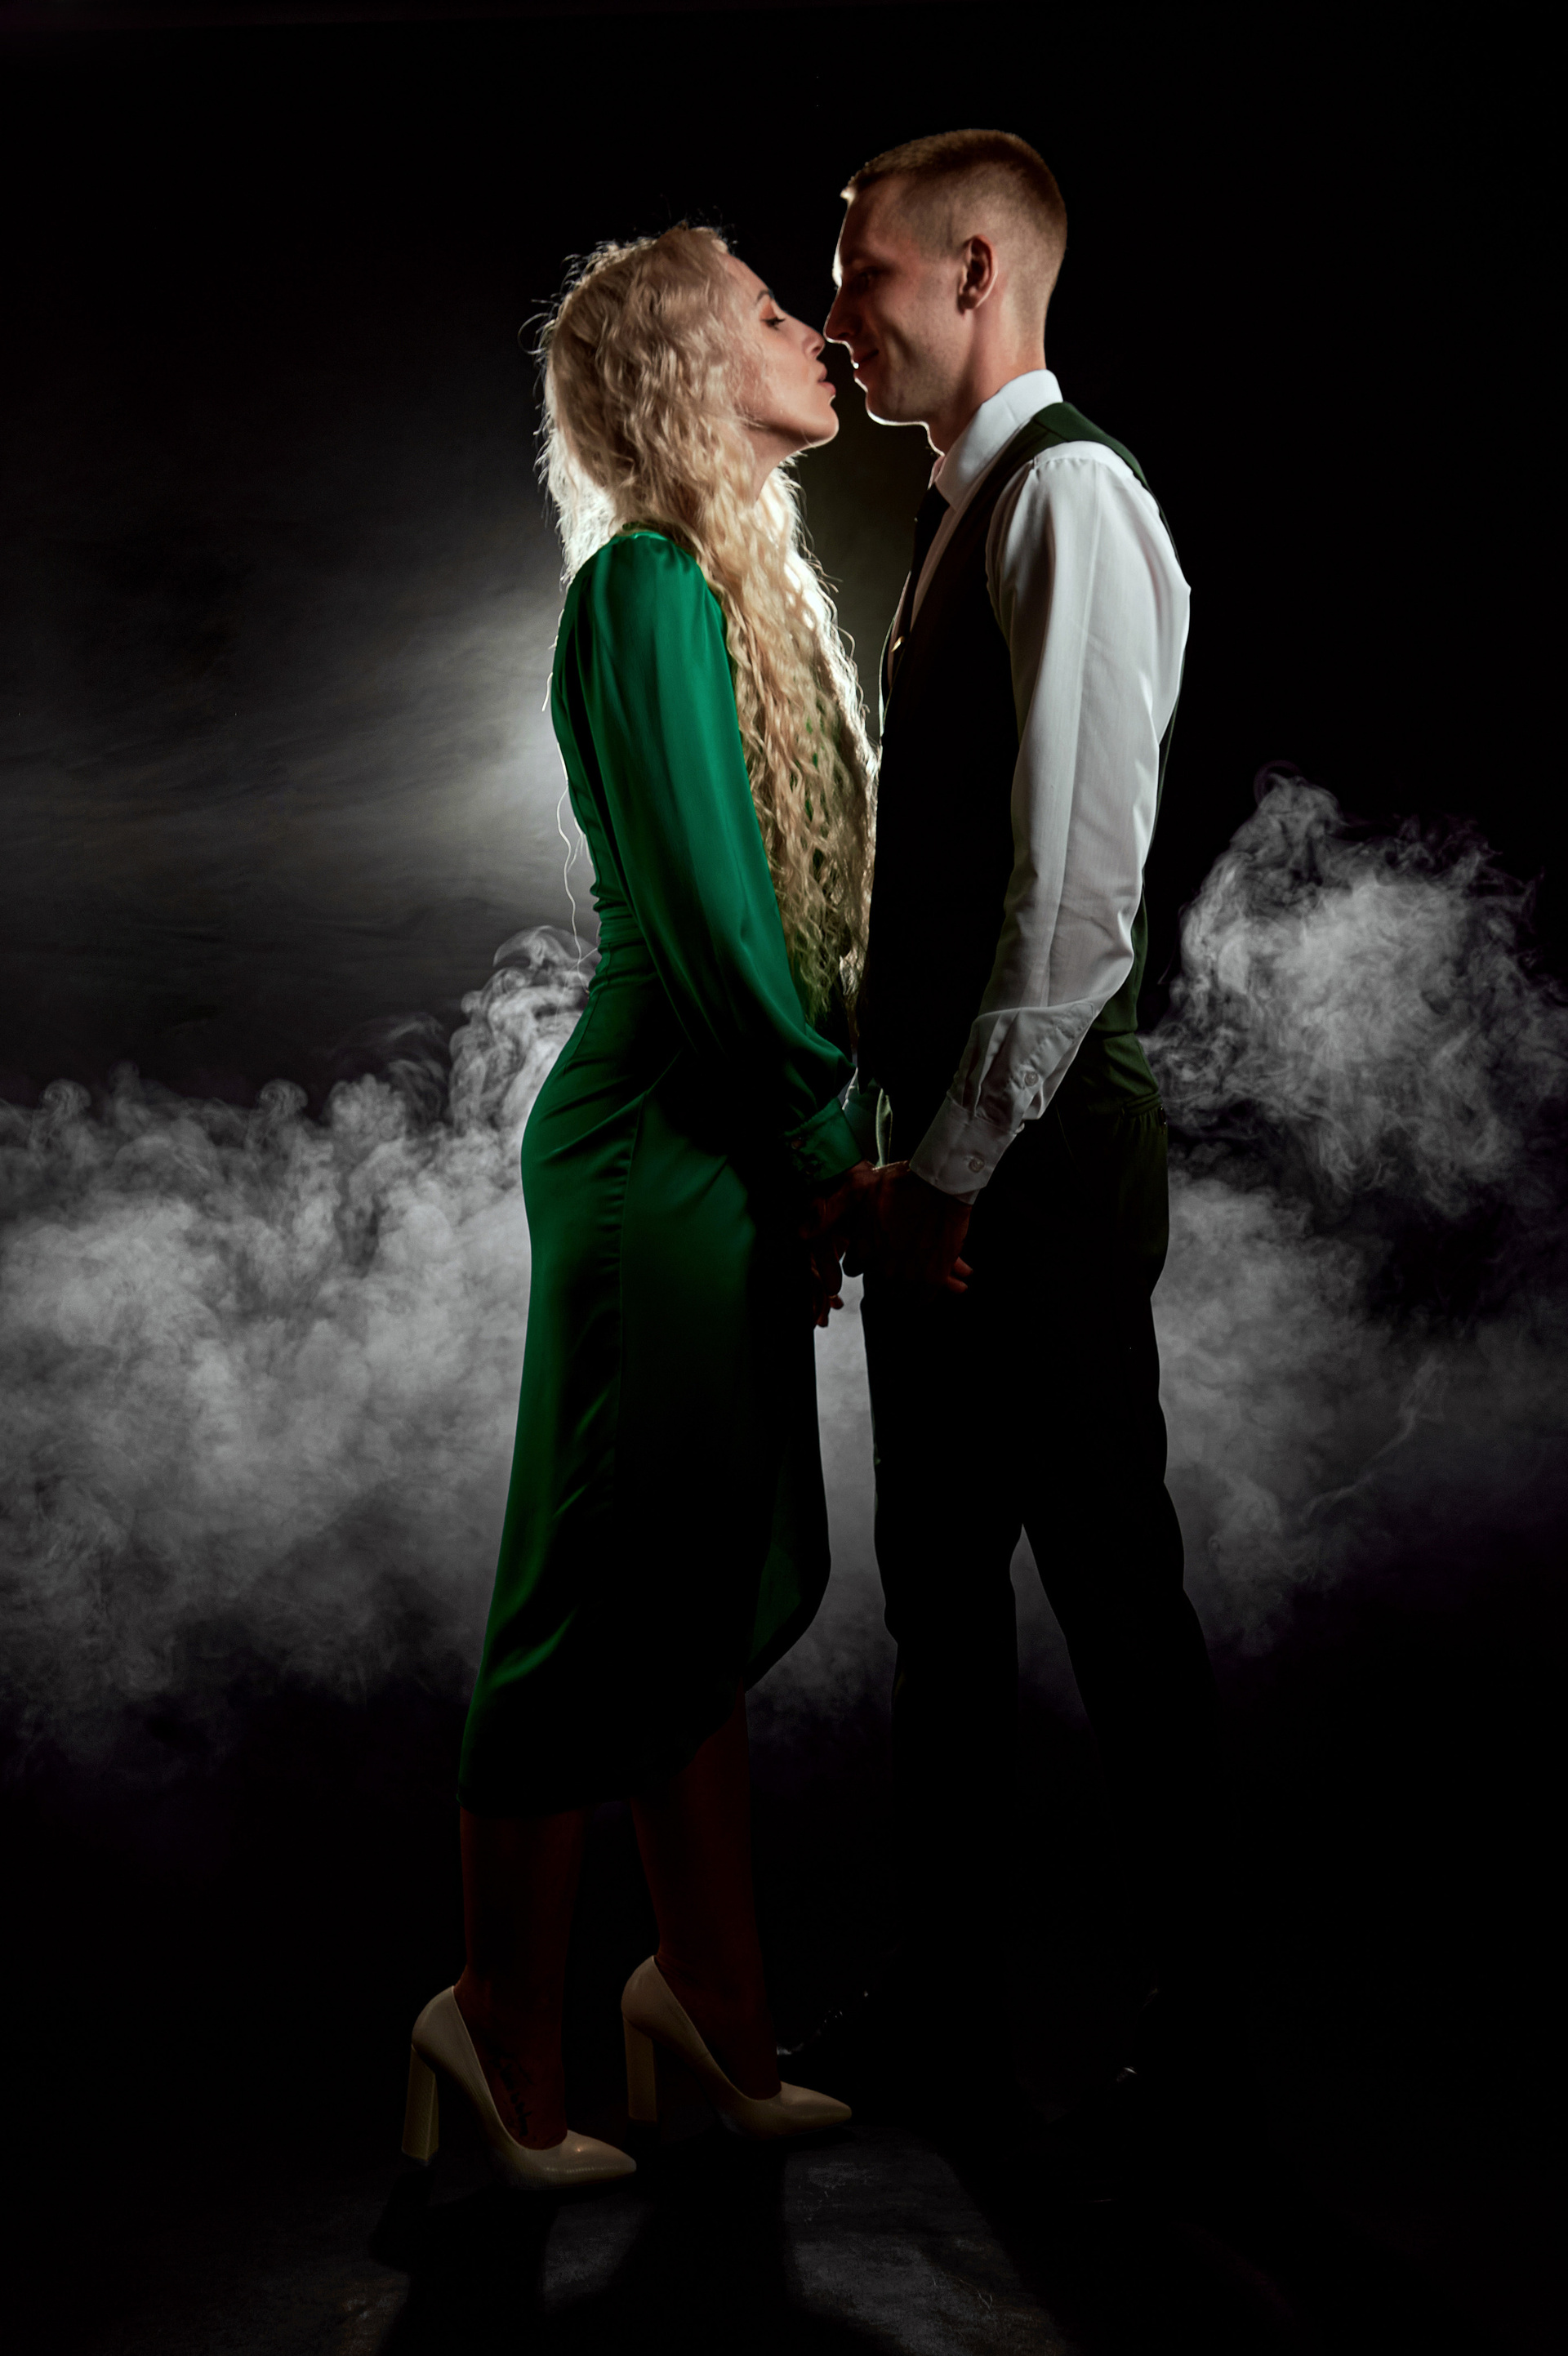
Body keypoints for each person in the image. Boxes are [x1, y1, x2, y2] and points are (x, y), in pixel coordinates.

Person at [401, 225, 880, 2190]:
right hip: (660, 1153)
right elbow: (707, 929)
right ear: (691, 367)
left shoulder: (742, 591)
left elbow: (798, 936)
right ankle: (496, 2027)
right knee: (590, 1594)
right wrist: (818, 1153)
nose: (816, 329)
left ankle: (711, 2009)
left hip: (729, 1138)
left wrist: (812, 1138)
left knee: (688, 1580)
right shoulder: (650, 590)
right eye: (772, 310)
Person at [806, 130, 1225, 2132]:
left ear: (978, 271)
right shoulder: (963, 503)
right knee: (944, 1597)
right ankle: (944, 2014)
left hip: (1031, 1167)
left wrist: (948, 1177)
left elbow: (1073, 909)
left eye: (864, 274)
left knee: (1114, 1594)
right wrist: (891, 1151)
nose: (839, 315)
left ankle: (1207, 2051)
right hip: (942, 1158)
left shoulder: (1070, 499)